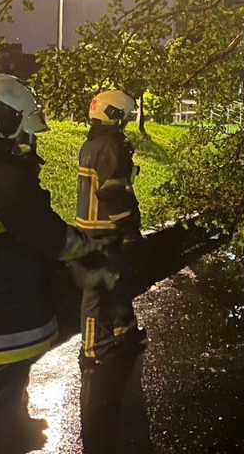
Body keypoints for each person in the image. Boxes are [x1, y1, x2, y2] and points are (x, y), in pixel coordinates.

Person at [0, 74, 109, 453]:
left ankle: (6, 424)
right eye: (22, 126)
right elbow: (52, 237)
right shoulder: (7, 179)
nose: (28, 138)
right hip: (9, 323)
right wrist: (90, 246)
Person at [75, 89, 146, 369]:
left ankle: (123, 332)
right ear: (115, 114)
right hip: (104, 229)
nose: (127, 121)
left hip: (96, 227)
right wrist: (129, 229)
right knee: (97, 290)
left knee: (116, 283)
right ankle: (93, 349)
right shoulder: (109, 146)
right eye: (126, 116)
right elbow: (113, 191)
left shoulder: (95, 143)